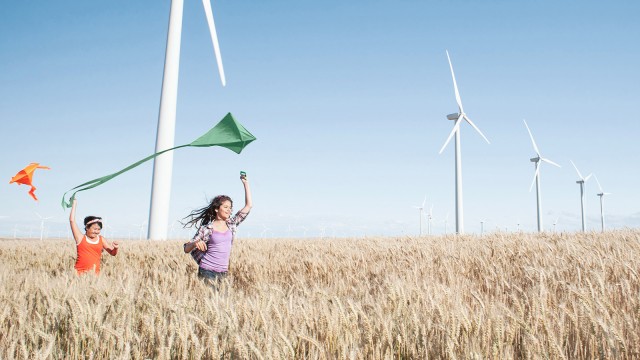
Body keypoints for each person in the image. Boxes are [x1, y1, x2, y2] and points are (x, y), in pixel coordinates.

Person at [183, 173, 252, 286]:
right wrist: (196, 243)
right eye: (225, 207)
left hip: (223, 272)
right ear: (216, 209)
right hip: (207, 270)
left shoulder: (232, 224)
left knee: (222, 302)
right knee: (210, 301)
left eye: (230, 208)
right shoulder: (206, 228)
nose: (229, 210)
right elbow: (186, 248)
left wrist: (245, 183)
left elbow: (248, 205)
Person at [69, 198, 119, 274]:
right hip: (78, 274)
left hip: (95, 275)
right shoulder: (80, 238)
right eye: (94, 229)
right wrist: (74, 204)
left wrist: (115, 248)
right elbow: (72, 220)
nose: (97, 231)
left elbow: (113, 253)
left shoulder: (101, 239)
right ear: (87, 227)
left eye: (99, 229)